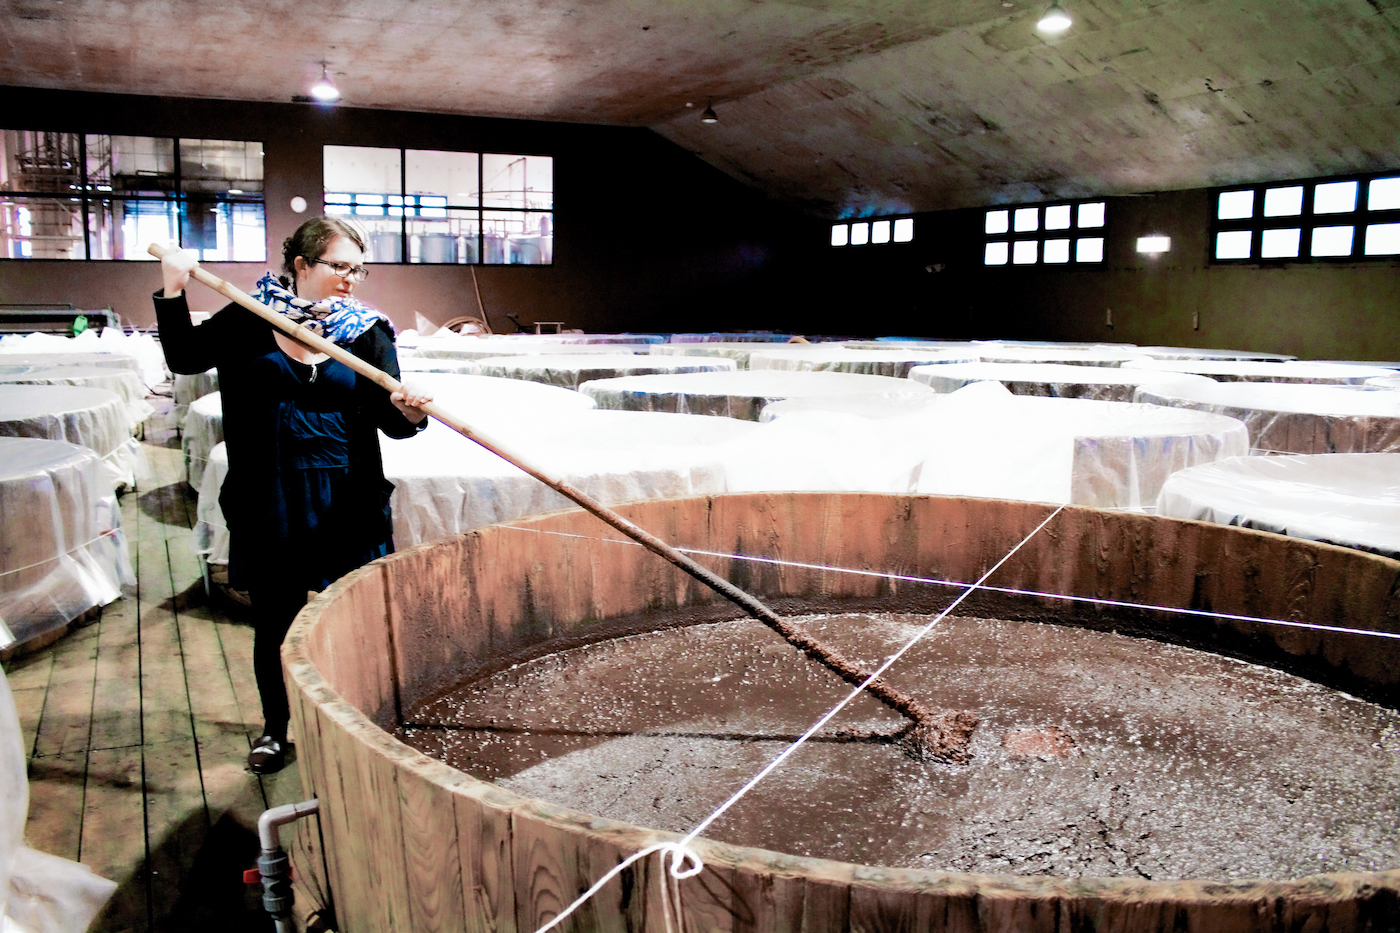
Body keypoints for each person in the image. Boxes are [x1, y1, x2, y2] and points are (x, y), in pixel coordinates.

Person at [155, 216, 430, 774]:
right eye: (339, 266)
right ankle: (276, 730)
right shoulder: (248, 319)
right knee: (276, 622)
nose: (352, 279)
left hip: (348, 499)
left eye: (359, 268)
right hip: (271, 499)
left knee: (354, 618)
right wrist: (173, 287)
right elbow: (184, 358)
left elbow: (392, 424)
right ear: (302, 266)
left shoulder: (367, 332)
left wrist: (410, 412)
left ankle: (360, 724)